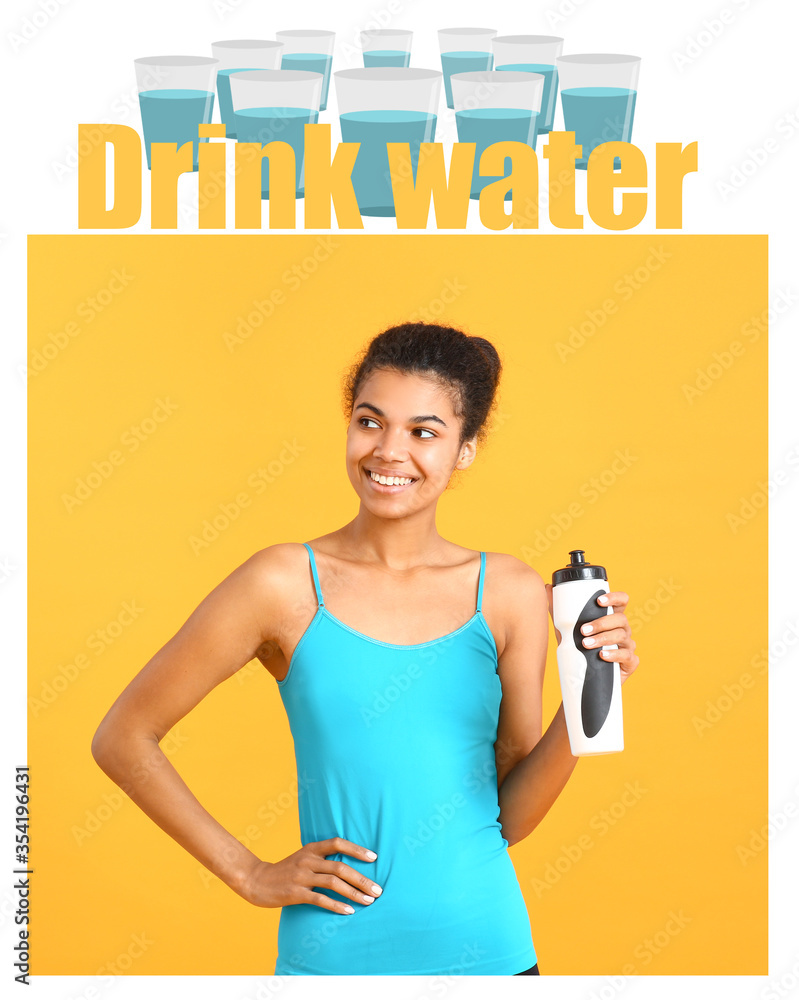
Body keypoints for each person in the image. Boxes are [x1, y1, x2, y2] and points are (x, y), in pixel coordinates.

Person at [91, 322, 640, 976]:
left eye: (424, 432)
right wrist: (247, 873)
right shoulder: (281, 583)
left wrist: (589, 700)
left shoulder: (511, 592)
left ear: (464, 449)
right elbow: (122, 736)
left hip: (490, 956)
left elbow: (508, 817)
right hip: (332, 961)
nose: (388, 451)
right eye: (369, 421)